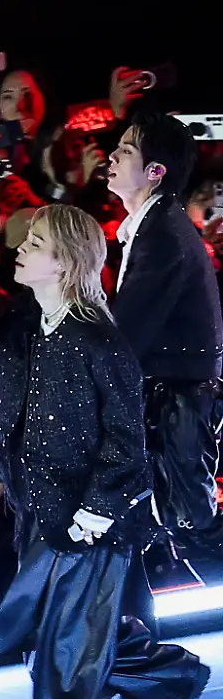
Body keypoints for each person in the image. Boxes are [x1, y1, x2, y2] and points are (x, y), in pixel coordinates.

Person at [0, 204, 209, 699]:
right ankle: (173, 675)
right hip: (36, 509)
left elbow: (128, 442)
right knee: (81, 638)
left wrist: (95, 513)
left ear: (63, 260)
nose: (19, 248)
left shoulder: (100, 342)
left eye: (33, 241)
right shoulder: (17, 328)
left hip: (93, 518)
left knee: (61, 645)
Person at [107, 111, 223, 548]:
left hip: (175, 408)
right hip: (171, 403)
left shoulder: (163, 235)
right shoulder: (155, 226)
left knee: (185, 533)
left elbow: (127, 337)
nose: (112, 156)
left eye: (126, 150)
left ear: (155, 172)